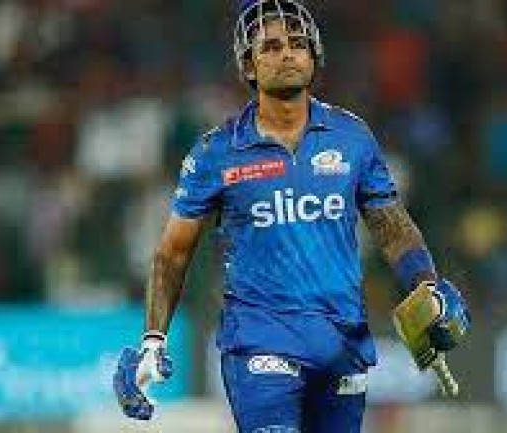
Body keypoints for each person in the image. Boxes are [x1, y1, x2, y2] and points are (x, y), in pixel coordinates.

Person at [112, 1, 470, 431]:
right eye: (271, 46)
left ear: (314, 55)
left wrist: (426, 285)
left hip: (342, 345)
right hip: (259, 343)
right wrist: (153, 340)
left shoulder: (353, 138)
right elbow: (172, 254)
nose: (287, 55)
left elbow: (392, 228)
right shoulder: (216, 152)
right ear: (248, 65)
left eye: (298, 44)